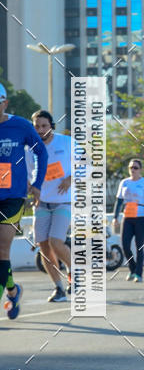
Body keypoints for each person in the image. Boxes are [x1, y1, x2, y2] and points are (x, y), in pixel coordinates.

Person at [0, 83, 47, 319]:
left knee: (2, 247)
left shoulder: (20, 125)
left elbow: (41, 152)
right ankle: (12, 289)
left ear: (5, 103)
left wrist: (37, 184)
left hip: (12, 197)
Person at [30, 110, 72, 301]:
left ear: (51, 125)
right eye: (37, 126)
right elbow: (27, 176)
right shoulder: (29, 149)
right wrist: (31, 189)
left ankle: (74, 272)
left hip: (63, 201)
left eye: (44, 125)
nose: (40, 130)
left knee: (56, 241)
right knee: (44, 247)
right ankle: (59, 288)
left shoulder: (66, 142)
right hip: (41, 204)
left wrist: (70, 179)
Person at [113, 158, 144, 282]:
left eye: (135, 168)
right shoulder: (124, 182)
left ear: (140, 170)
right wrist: (115, 217)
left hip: (141, 217)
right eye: (131, 167)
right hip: (128, 216)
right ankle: (133, 268)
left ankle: (138, 274)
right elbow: (119, 201)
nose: (133, 170)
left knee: (139, 246)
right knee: (125, 245)